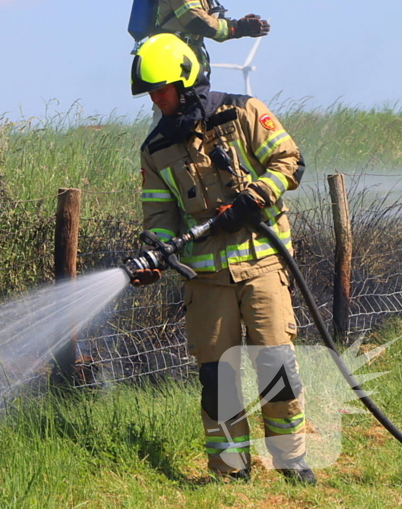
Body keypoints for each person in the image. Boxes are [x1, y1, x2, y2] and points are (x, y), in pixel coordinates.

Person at [128, 33, 314, 484]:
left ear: (186, 80)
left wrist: (254, 199)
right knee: (217, 379)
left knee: (275, 365)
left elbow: (290, 161)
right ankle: (230, 471)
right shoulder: (155, 150)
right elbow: (160, 214)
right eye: (151, 94)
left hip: (264, 263)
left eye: (162, 90)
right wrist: (154, 251)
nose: (157, 101)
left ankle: (290, 459)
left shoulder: (243, 111)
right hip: (205, 280)